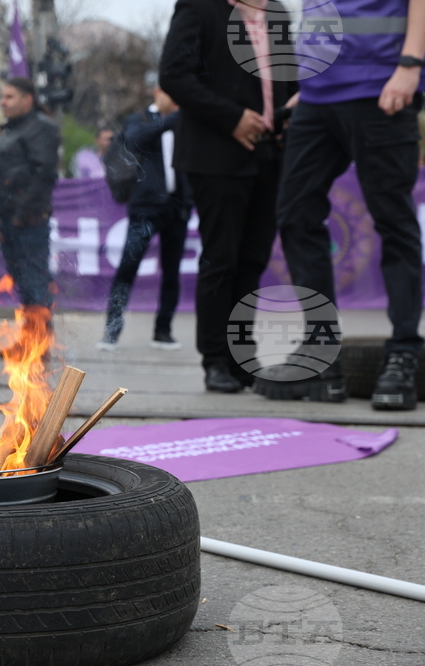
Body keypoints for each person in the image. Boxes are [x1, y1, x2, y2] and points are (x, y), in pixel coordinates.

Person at [254, 0, 425, 409]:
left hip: (381, 83)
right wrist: (310, 85)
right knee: (294, 213)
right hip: (318, 94)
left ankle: (404, 352)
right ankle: (322, 354)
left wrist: (411, 63)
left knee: (393, 220)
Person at [159, 0, 296, 393]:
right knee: (221, 257)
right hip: (216, 151)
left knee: (253, 259)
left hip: (271, 153)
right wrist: (232, 117)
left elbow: (289, 77)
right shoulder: (200, 8)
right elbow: (174, 76)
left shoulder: (277, 13)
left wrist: (293, 109)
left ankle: (242, 357)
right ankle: (216, 358)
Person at [97, 87, 192, 352]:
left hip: (176, 207)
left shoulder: (182, 121)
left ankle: (163, 330)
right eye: (171, 94)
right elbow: (134, 139)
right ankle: (111, 331)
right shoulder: (139, 119)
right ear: (158, 92)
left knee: (172, 272)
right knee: (128, 267)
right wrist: (168, 121)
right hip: (145, 207)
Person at [0, 77, 61, 309]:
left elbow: (43, 175)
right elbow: (0, 172)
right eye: (2, 97)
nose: (2, 102)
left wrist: (20, 216)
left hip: (28, 221)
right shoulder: (10, 131)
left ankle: (40, 330)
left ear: (27, 100)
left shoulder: (41, 128)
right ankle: (32, 329)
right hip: (7, 220)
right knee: (21, 281)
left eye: (9, 97)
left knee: (34, 280)